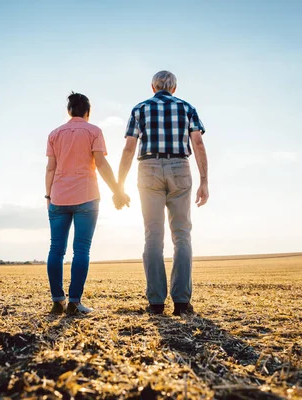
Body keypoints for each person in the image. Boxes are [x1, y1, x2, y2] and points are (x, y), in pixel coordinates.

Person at [115, 70, 209, 316]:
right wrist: (204, 181)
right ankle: (181, 302)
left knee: (153, 236)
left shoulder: (140, 109)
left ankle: (156, 302)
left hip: (148, 169)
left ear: (152, 86)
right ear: (174, 89)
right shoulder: (187, 108)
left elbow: (128, 149)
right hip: (180, 167)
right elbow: (197, 143)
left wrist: (119, 184)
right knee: (182, 235)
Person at [45, 92, 129, 315]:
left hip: (59, 197)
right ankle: (74, 302)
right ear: (87, 112)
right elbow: (101, 164)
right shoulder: (94, 131)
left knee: (56, 249)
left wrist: (48, 196)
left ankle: (57, 301)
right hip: (87, 197)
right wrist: (118, 191)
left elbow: (50, 168)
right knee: (81, 249)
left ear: (69, 111)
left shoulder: (54, 134)